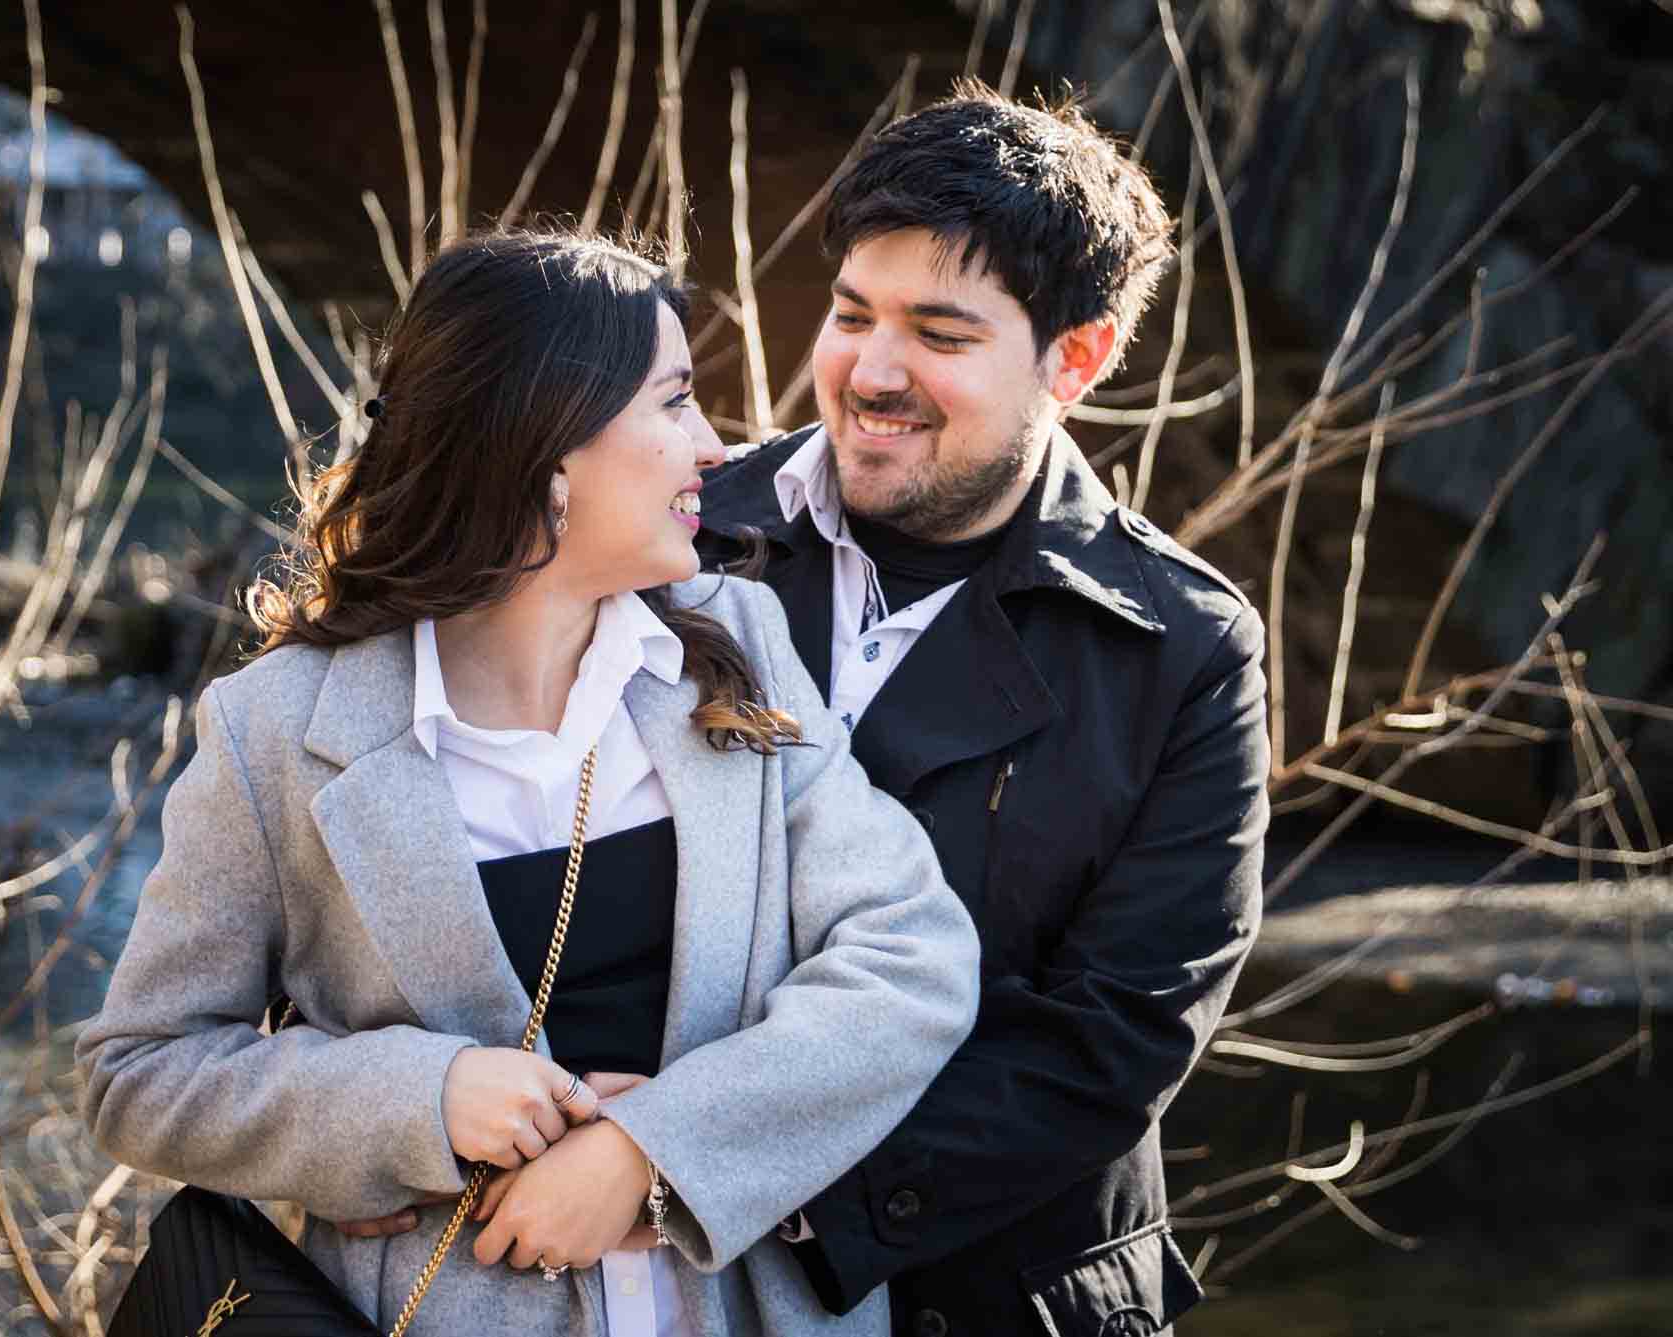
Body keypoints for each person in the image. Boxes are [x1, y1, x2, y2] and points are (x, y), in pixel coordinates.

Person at [74, 230, 980, 1337]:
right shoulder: (276, 729)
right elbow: (142, 1071)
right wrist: (415, 1098)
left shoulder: (734, 644)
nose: (710, 442)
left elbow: (911, 954)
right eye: (672, 400)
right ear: (546, 451)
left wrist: (655, 1152)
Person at [692, 86, 1269, 1336]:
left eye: (940, 335)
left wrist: (712, 1177)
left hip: (981, 1289)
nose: (870, 371)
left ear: (1077, 358)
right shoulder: (673, 535)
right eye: (851, 315)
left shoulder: (1185, 648)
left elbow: (1111, 1035)